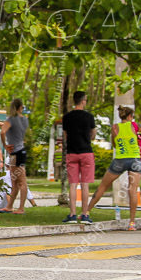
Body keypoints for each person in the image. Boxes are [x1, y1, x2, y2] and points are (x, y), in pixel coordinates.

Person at [86, 106, 141, 230]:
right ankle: (132, 223)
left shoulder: (115, 127)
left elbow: (115, 144)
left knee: (103, 186)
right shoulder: (135, 126)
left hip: (120, 160)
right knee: (132, 191)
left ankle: (86, 212)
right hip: (135, 160)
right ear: (131, 116)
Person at [62, 91, 97, 224]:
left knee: (72, 184)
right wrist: (88, 138)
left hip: (72, 152)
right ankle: (84, 214)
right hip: (86, 152)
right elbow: (93, 134)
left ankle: (72, 214)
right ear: (83, 101)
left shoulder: (67, 117)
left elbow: (66, 135)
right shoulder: (89, 117)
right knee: (84, 185)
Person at [0, 99, 30, 214]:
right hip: (19, 151)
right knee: (15, 181)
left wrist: (5, 145)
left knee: (21, 181)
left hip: (15, 152)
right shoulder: (24, 120)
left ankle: (21, 208)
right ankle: (10, 206)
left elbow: (2, 132)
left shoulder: (11, 119)